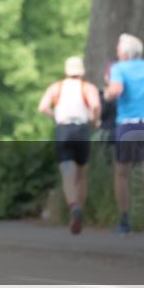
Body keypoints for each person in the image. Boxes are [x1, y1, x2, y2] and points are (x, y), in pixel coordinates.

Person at [104, 33, 144, 237]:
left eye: (118, 49)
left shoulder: (119, 68)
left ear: (124, 53)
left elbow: (116, 90)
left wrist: (107, 92)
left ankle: (124, 221)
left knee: (122, 173)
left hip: (127, 126)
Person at [38, 56, 101, 234]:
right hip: (81, 130)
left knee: (67, 173)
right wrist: (93, 120)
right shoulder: (87, 88)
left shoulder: (55, 88)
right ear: (81, 72)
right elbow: (95, 106)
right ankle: (79, 208)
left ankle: (73, 207)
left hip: (63, 130)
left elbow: (42, 107)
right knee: (82, 174)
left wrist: (56, 116)